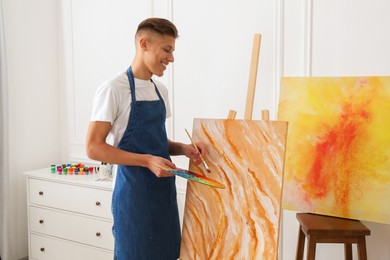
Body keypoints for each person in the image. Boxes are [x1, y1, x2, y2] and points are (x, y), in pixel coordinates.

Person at [86, 17, 205, 260]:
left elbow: (157, 142)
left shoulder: (160, 90)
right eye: (167, 49)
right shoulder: (113, 89)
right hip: (133, 195)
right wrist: (147, 161)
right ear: (144, 44)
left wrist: (183, 148)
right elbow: (94, 148)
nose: (171, 58)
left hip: (163, 195)